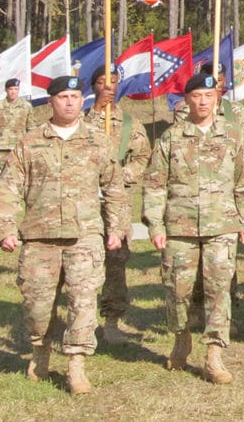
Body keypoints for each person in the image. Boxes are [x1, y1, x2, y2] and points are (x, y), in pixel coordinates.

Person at [0, 75, 127, 395]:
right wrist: (6, 229)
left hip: (85, 236)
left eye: (75, 96)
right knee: (37, 306)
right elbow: (9, 187)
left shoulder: (97, 140)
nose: (70, 102)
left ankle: (76, 364)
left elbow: (113, 187)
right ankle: (40, 351)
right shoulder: (30, 141)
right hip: (40, 237)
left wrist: (116, 229)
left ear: (82, 101)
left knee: (83, 303)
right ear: (50, 102)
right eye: (63, 97)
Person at [142, 73, 244, 384]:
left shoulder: (232, 135)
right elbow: (154, 184)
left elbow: (243, 179)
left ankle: (214, 356)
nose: (203, 101)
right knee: (177, 290)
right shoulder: (171, 138)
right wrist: (155, 224)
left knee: (219, 290)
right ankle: (181, 336)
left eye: (208, 95)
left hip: (222, 223)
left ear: (217, 98)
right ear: (187, 100)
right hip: (179, 225)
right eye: (196, 96)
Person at [86, 65, 150, 345]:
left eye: (113, 82)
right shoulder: (79, 119)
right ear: (93, 87)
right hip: (84, 201)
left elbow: (143, 156)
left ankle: (111, 321)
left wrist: (125, 175)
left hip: (118, 204)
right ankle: (83, 321)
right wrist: (94, 112)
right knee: (82, 263)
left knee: (116, 261)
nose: (108, 88)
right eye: (102, 82)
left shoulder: (128, 124)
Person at [0, 77, 34, 180]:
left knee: (20, 174)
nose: (13, 92)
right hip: (2, 146)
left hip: (20, 145)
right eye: (11, 89)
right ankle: (2, 195)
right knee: (2, 174)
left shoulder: (26, 106)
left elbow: (31, 126)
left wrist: (32, 143)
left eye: (16, 89)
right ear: (6, 90)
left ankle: (17, 196)